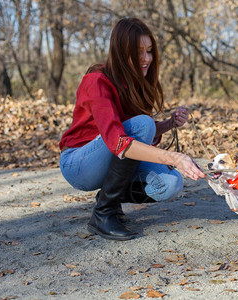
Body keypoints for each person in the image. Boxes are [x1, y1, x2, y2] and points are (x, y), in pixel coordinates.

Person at [59, 17, 205, 241]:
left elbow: (135, 137)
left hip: (108, 157)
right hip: (78, 164)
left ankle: (108, 197)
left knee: (171, 183)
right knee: (142, 124)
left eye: (149, 51)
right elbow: (118, 141)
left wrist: (169, 124)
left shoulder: (133, 82)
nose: (146, 58)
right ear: (120, 50)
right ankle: (104, 213)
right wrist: (175, 157)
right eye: (138, 51)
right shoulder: (96, 81)